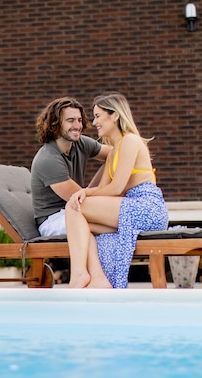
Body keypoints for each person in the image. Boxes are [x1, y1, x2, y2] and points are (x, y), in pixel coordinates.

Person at [65, 91, 168, 289]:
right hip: (129, 208)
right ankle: (98, 278)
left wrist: (85, 193)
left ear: (115, 115)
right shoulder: (113, 152)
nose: (94, 123)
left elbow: (117, 188)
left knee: (75, 207)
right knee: (81, 224)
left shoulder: (130, 140)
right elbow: (104, 189)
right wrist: (87, 192)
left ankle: (79, 275)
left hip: (147, 207)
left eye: (97, 116)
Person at [31, 96, 110, 237]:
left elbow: (116, 154)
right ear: (55, 124)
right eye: (70, 120)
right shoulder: (48, 159)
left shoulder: (80, 143)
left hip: (74, 209)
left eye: (79, 120)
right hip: (53, 220)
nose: (77, 125)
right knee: (111, 224)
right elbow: (80, 201)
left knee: (113, 160)